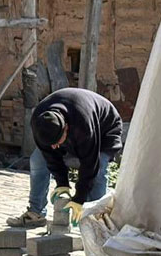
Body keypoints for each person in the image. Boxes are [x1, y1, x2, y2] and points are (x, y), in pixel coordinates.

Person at [8, 87, 123, 227]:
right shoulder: (39, 122)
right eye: (52, 144)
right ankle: (35, 213)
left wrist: (79, 198)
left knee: (98, 170)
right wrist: (62, 183)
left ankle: (97, 220)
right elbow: (49, 154)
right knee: (37, 160)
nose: (55, 147)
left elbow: (90, 163)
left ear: (66, 128)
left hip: (105, 129)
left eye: (57, 142)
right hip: (73, 125)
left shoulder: (84, 125)